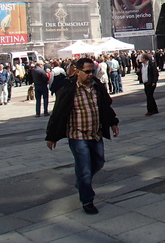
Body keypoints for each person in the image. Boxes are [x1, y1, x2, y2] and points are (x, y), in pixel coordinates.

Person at [45, 58, 119, 215]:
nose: (90, 74)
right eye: (87, 72)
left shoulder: (97, 86)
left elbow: (106, 106)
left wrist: (113, 122)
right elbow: (57, 113)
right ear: (77, 71)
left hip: (95, 133)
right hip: (77, 134)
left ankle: (81, 182)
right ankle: (87, 200)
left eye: (92, 71)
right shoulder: (68, 89)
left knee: (99, 162)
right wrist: (51, 136)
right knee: (84, 168)